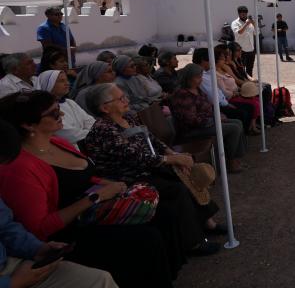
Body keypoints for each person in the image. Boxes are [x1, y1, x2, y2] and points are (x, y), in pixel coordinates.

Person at [0, 92, 178, 287]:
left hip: (94, 209)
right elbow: (40, 228)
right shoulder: (20, 168)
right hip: (70, 229)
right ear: (28, 125)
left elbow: (82, 176)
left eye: (59, 109)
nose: (62, 115)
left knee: (163, 213)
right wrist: (95, 197)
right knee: (145, 238)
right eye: (54, 113)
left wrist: (107, 184)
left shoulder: (56, 142)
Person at [80, 84, 222, 256]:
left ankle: (208, 223)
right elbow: (136, 156)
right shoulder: (103, 130)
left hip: (148, 168)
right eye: (120, 99)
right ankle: (193, 242)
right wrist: (172, 159)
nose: (126, 100)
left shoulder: (129, 118)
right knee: (176, 189)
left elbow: (152, 139)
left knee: (186, 175)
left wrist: (171, 153)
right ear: (104, 108)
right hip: (128, 178)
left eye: (124, 96)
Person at [169, 64, 246, 173]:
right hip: (193, 129)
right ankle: (231, 161)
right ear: (188, 78)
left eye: (200, 77)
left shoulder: (197, 89)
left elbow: (208, 106)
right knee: (234, 128)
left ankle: (236, 158)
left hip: (207, 122)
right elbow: (191, 119)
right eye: (197, 77)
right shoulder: (182, 94)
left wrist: (217, 116)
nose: (200, 80)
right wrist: (214, 120)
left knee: (238, 123)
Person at [192, 49, 254, 135]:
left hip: (223, 101)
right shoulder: (202, 76)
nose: (213, 62)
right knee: (242, 113)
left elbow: (217, 91)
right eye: (211, 59)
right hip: (216, 106)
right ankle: (241, 136)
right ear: (203, 60)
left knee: (249, 107)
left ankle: (244, 134)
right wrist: (227, 103)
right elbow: (212, 96)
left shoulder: (208, 73)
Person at [37, 70, 94, 148]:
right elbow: (70, 135)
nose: (67, 83)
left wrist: (92, 131)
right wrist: (94, 133)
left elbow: (89, 121)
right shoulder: (46, 109)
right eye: (61, 81)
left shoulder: (70, 102)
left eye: (67, 80)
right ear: (49, 84)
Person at [230, 6, 256, 77]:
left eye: (245, 13)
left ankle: (249, 82)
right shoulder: (235, 23)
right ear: (239, 14)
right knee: (241, 69)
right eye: (242, 14)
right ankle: (242, 82)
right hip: (241, 51)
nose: (244, 15)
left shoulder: (250, 22)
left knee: (250, 69)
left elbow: (256, 33)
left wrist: (254, 24)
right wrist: (246, 24)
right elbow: (238, 33)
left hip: (251, 49)